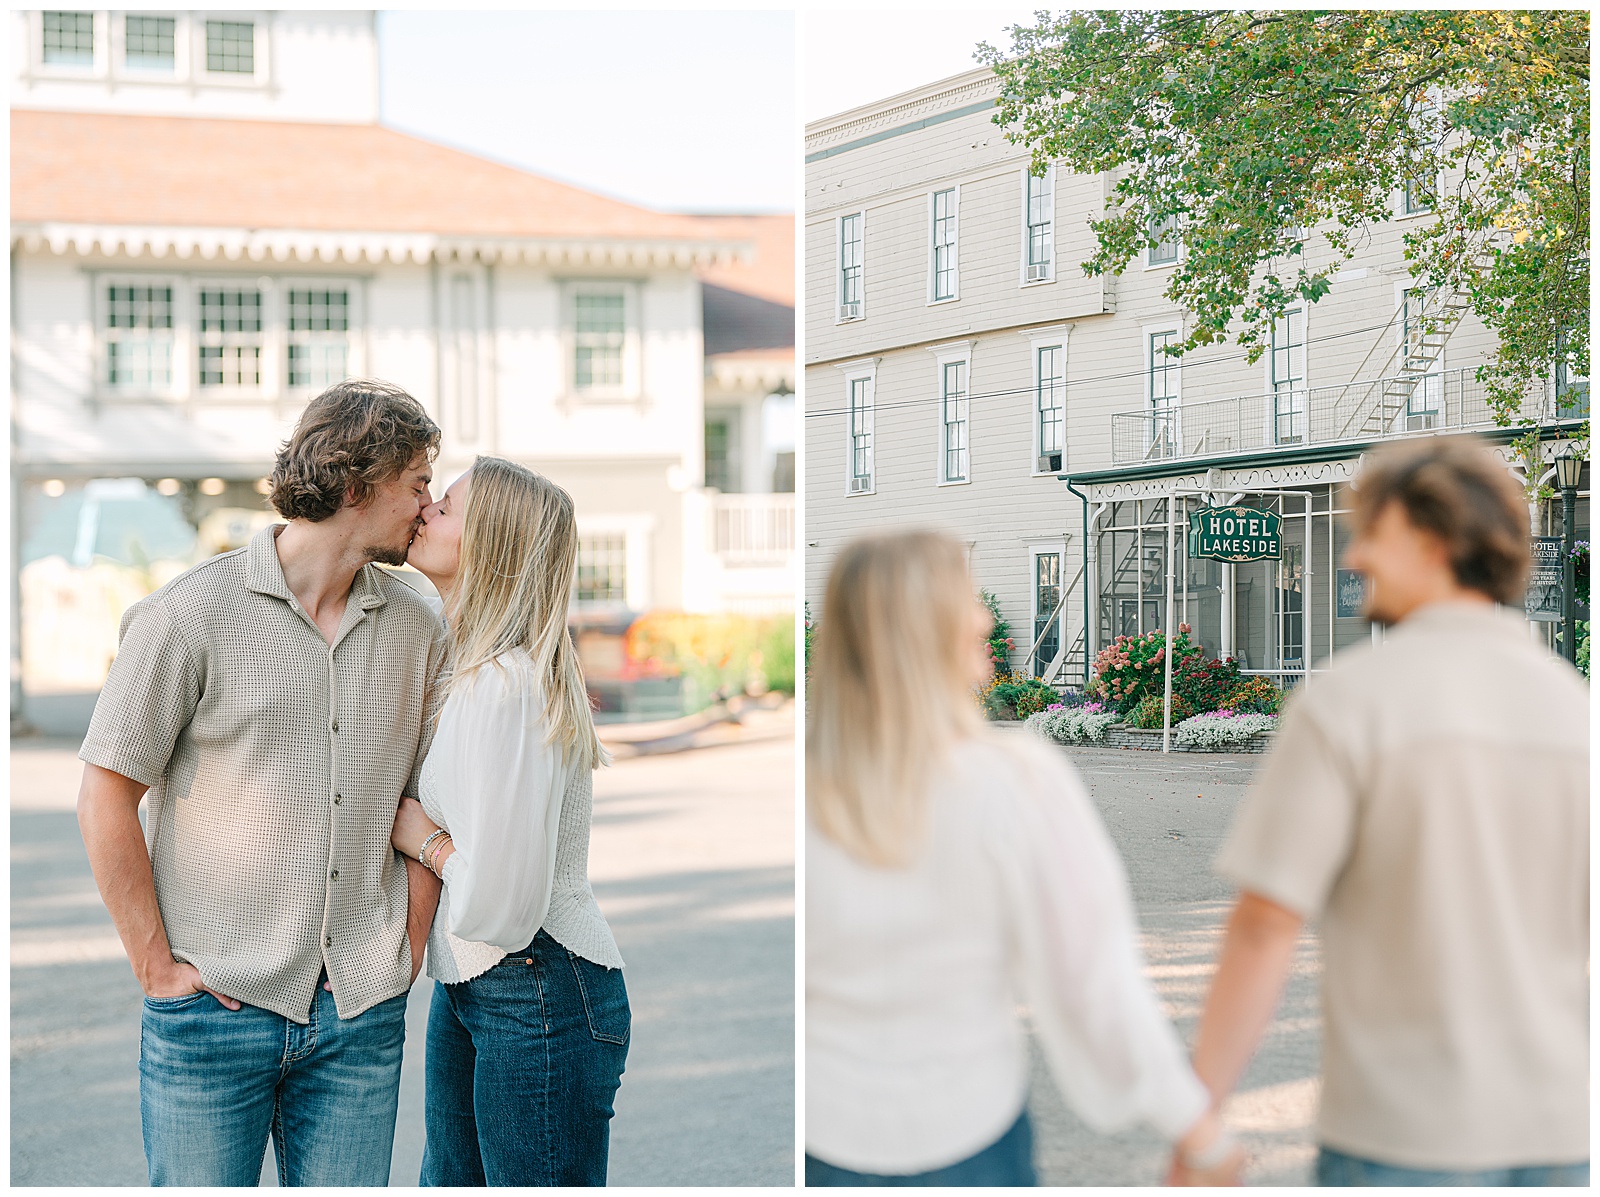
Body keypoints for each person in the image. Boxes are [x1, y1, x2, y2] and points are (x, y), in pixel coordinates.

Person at [1176, 435, 1589, 1186]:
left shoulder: (1348, 701)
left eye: (1372, 531)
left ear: (1434, 540)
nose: (1353, 554)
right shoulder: (1575, 710)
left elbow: (1266, 922)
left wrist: (1199, 1120)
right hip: (1562, 1129)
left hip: (1402, 1132)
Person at [76, 379, 449, 1186]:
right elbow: (105, 791)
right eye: (417, 483)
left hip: (361, 1010)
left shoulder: (418, 624)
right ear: (357, 485)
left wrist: (407, 944)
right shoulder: (188, 615)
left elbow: (431, 794)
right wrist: (155, 968)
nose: (429, 504)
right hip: (212, 1011)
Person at [804, 527, 1243, 1187]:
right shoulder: (1014, 780)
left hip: (824, 1138)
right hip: (969, 1137)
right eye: (965, 597)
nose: (984, 614)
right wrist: (1195, 1127)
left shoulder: (804, 789)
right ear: (927, 625)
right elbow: (1092, 982)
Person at [388, 456, 629, 1187]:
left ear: (489, 543)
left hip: (536, 981)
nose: (427, 508)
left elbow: (505, 900)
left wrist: (424, 840)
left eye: (448, 506)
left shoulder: (506, 685)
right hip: (477, 981)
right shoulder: (475, 666)